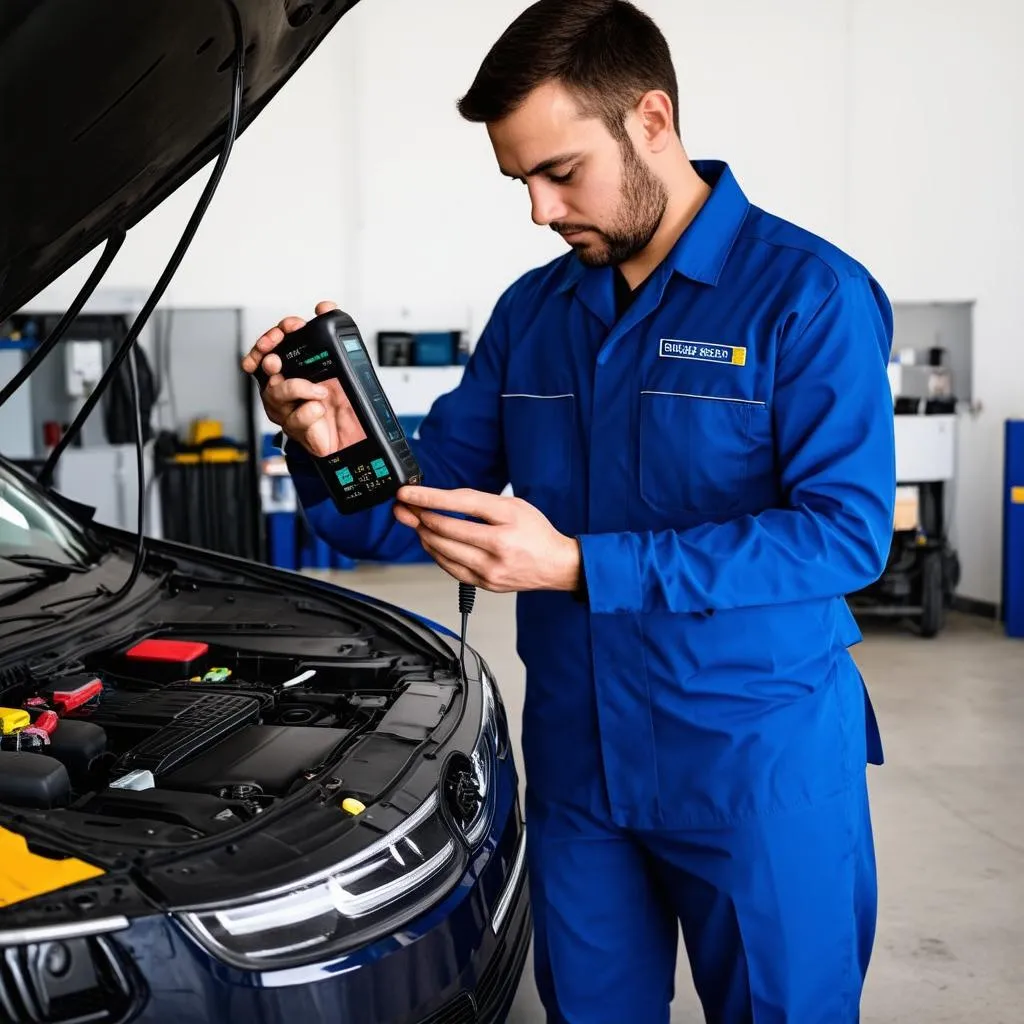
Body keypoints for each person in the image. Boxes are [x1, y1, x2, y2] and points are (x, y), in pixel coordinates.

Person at [242, 1, 896, 1020]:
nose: (540, 212)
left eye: (559, 173)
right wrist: (332, 447)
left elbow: (845, 531)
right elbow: (407, 511)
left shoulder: (806, 295)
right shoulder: (534, 314)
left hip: (754, 767)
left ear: (651, 121)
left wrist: (582, 565)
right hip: (582, 768)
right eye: (520, 181)